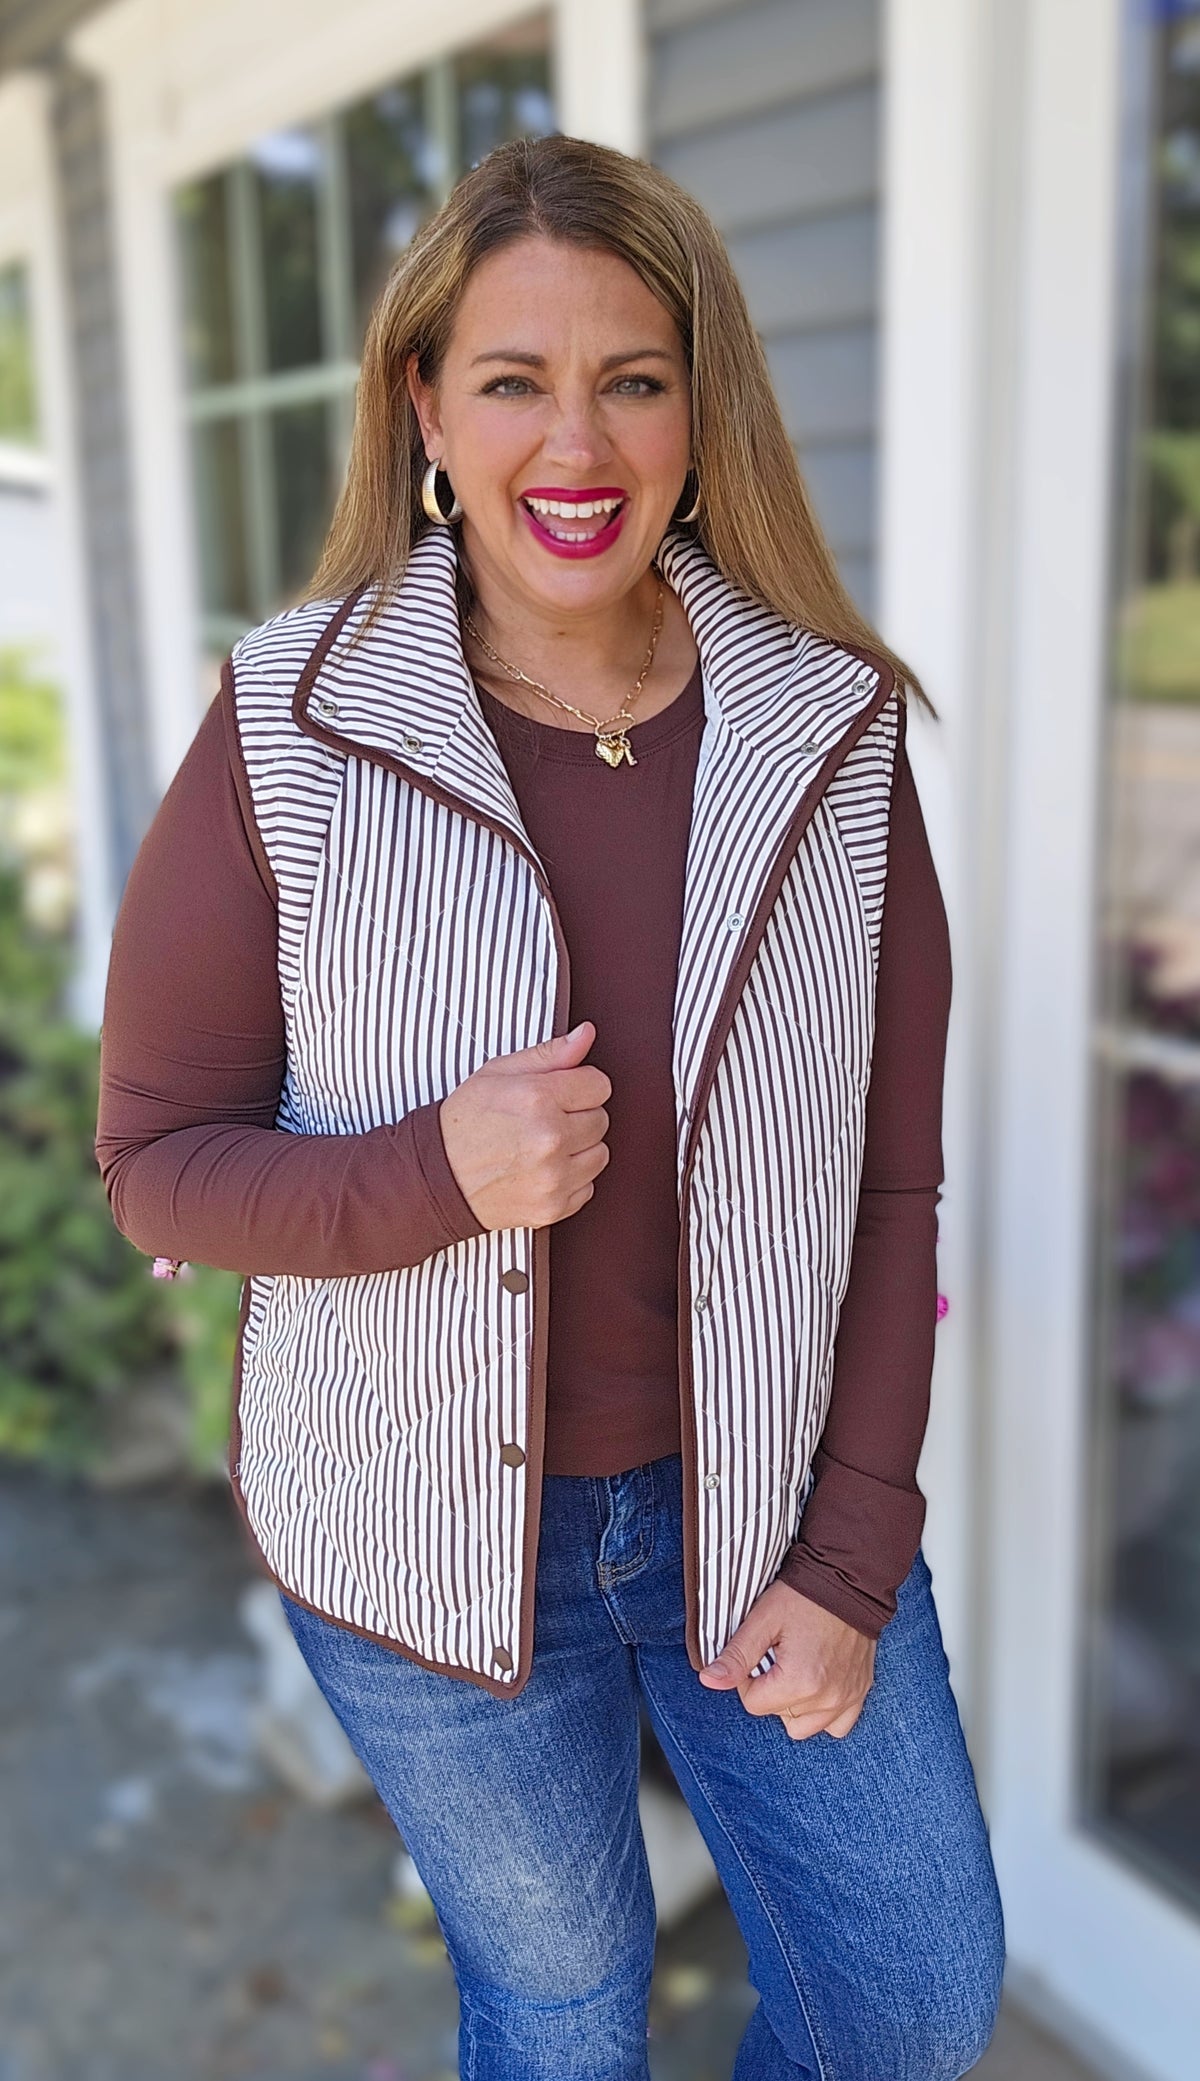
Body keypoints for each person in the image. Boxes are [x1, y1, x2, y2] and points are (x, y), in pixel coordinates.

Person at [97, 133, 1005, 2081]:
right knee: (565, 2021)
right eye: (513, 380)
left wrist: (853, 1550)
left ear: (699, 411)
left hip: (763, 1500)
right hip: (418, 1530)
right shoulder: (295, 721)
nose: (574, 443)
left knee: (914, 2001)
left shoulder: (833, 731)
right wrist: (434, 1173)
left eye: (632, 380)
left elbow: (894, 1181)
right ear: (426, 409)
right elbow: (157, 1169)